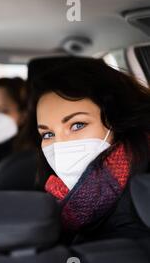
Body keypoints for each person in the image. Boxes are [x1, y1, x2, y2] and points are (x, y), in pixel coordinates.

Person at [29, 57, 150, 244]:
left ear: (117, 122)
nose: (60, 144)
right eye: (47, 134)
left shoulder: (141, 206)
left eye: (77, 125)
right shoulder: (61, 209)